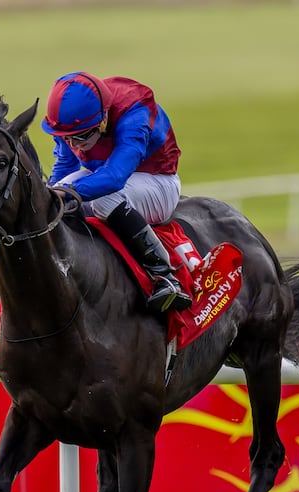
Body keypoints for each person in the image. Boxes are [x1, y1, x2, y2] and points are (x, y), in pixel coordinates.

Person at [41, 71, 192, 313]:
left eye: (80, 137)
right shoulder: (72, 124)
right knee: (56, 195)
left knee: (102, 198)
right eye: (65, 138)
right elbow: (64, 167)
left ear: (102, 120)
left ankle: (164, 276)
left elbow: (115, 177)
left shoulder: (135, 112)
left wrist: (68, 192)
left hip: (158, 183)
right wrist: (50, 197)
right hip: (107, 179)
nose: (73, 144)